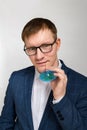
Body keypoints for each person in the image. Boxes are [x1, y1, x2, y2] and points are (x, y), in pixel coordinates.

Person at [0, 17, 87, 130]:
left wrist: (60, 98)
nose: (39, 56)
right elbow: (5, 122)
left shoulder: (83, 85)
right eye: (31, 48)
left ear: (57, 44)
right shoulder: (16, 79)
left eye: (45, 46)